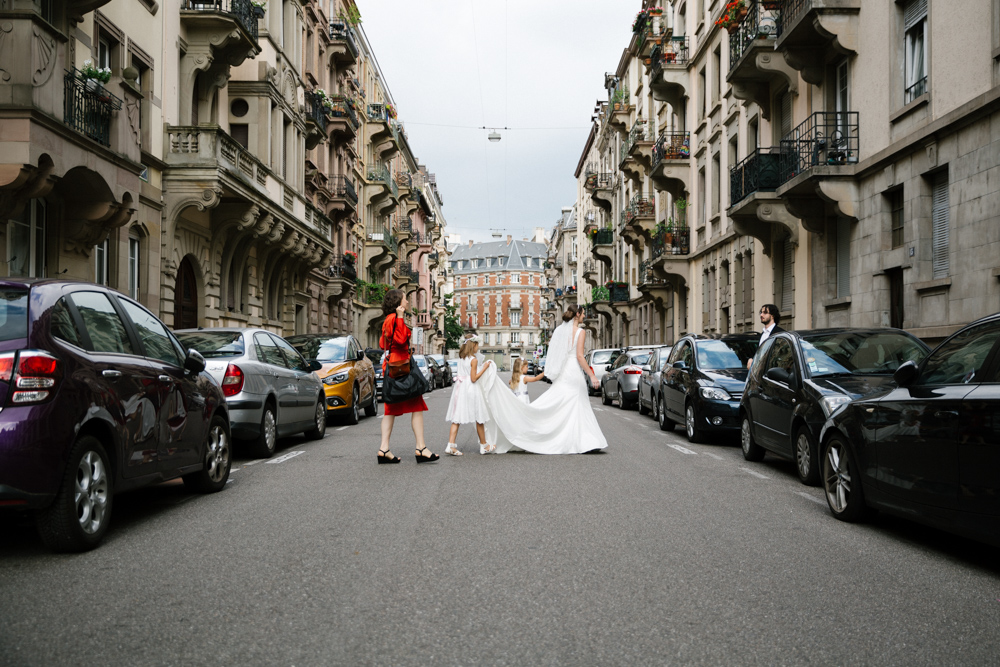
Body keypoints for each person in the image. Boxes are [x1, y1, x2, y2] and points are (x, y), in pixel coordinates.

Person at [476, 305, 608, 454]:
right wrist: (591, 375)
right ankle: (583, 441)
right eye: (583, 314)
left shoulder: (559, 331)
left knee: (563, 405)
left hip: (564, 373)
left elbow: (556, 353)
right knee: (576, 404)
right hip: (573, 372)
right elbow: (579, 356)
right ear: (577, 314)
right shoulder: (580, 332)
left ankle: (579, 440)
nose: (584, 316)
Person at [377, 289, 438, 464]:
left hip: (392, 367)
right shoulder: (394, 319)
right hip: (402, 367)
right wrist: (400, 318)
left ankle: (384, 449)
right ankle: (421, 448)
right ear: (398, 302)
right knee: (416, 406)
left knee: (390, 410)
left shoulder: (387, 320)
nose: (407, 303)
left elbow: (383, 343)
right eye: (405, 299)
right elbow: (401, 339)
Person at [444, 334, 494, 455]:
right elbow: (473, 378)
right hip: (471, 389)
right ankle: (484, 445)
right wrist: (485, 368)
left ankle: (450, 445)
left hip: (460, 388)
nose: (478, 348)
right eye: (477, 345)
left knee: (456, 418)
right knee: (479, 416)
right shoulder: (474, 360)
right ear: (473, 345)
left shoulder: (461, 358)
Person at [747, 303, 784, 369]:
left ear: (772, 316)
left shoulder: (780, 333)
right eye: (761, 312)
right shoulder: (762, 334)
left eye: (765, 313)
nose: (761, 315)